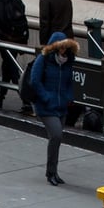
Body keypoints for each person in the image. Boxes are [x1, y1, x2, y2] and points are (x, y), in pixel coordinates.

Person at [31, 31, 78, 186]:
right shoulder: (43, 60)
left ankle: (54, 172)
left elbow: (69, 82)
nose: (63, 50)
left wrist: (68, 98)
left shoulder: (68, 62)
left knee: (56, 140)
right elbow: (35, 81)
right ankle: (51, 172)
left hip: (61, 106)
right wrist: (46, 98)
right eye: (60, 47)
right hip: (46, 107)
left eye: (65, 47)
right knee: (56, 135)